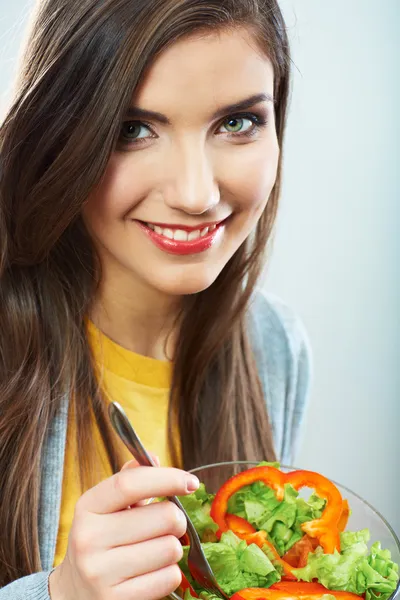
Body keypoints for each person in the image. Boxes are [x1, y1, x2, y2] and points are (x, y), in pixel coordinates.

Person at [0, 0, 312, 598]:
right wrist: (59, 593)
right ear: (55, 136)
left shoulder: (277, 347)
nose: (196, 194)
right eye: (131, 130)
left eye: (237, 123)